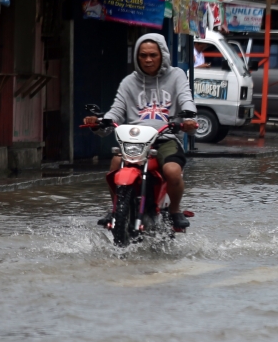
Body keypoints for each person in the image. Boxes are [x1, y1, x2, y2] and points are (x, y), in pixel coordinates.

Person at [85, 33, 198, 229]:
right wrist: (99, 122)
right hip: (135, 141)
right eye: (143, 55)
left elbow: (186, 98)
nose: (148, 59)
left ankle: (175, 211)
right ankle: (116, 208)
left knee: (172, 171)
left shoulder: (177, 75)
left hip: (166, 138)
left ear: (162, 54)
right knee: (115, 164)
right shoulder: (129, 82)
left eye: (153, 55)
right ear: (137, 57)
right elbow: (116, 111)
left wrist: (189, 118)